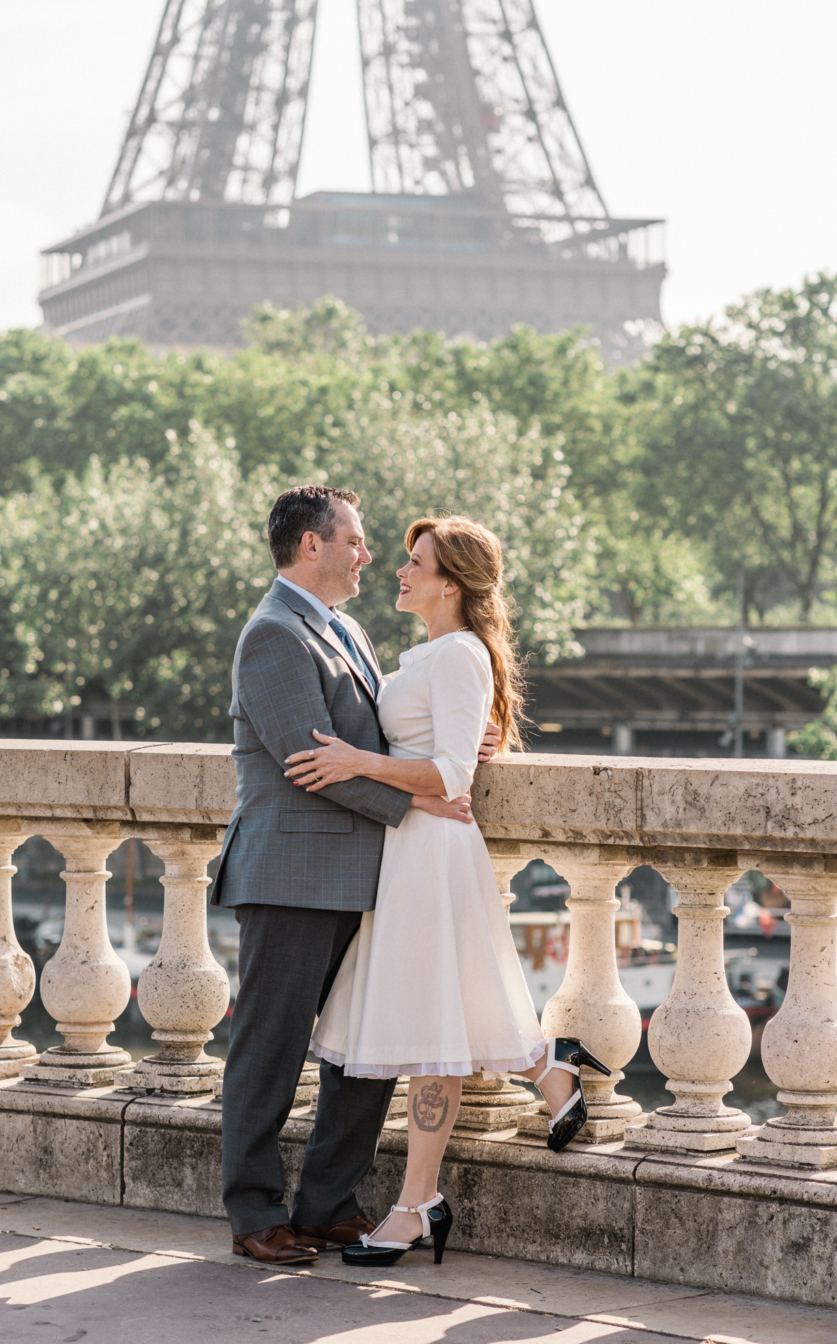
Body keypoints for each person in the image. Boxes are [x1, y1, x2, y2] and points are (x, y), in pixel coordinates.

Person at [285, 515, 609, 1268]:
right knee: (438, 1011)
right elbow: (440, 749)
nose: (399, 571)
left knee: (432, 1028)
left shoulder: (460, 654)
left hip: (430, 854)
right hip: (407, 851)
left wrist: (358, 763)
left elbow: (453, 777)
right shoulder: (431, 655)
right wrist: (382, 761)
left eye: (415, 562)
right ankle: (546, 1067)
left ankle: (416, 1204)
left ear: (451, 584)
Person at [211, 486, 495, 1267]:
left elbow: (381, 736)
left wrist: (460, 748)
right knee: (269, 1047)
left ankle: (329, 1202)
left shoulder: (348, 631)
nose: (368, 555)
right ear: (312, 546)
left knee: (360, 1048)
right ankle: (255, 1213)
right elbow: (312, 764)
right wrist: (422, 803)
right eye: (357, 541)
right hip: (292, 874)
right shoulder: (273, 634)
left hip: (368, 875)